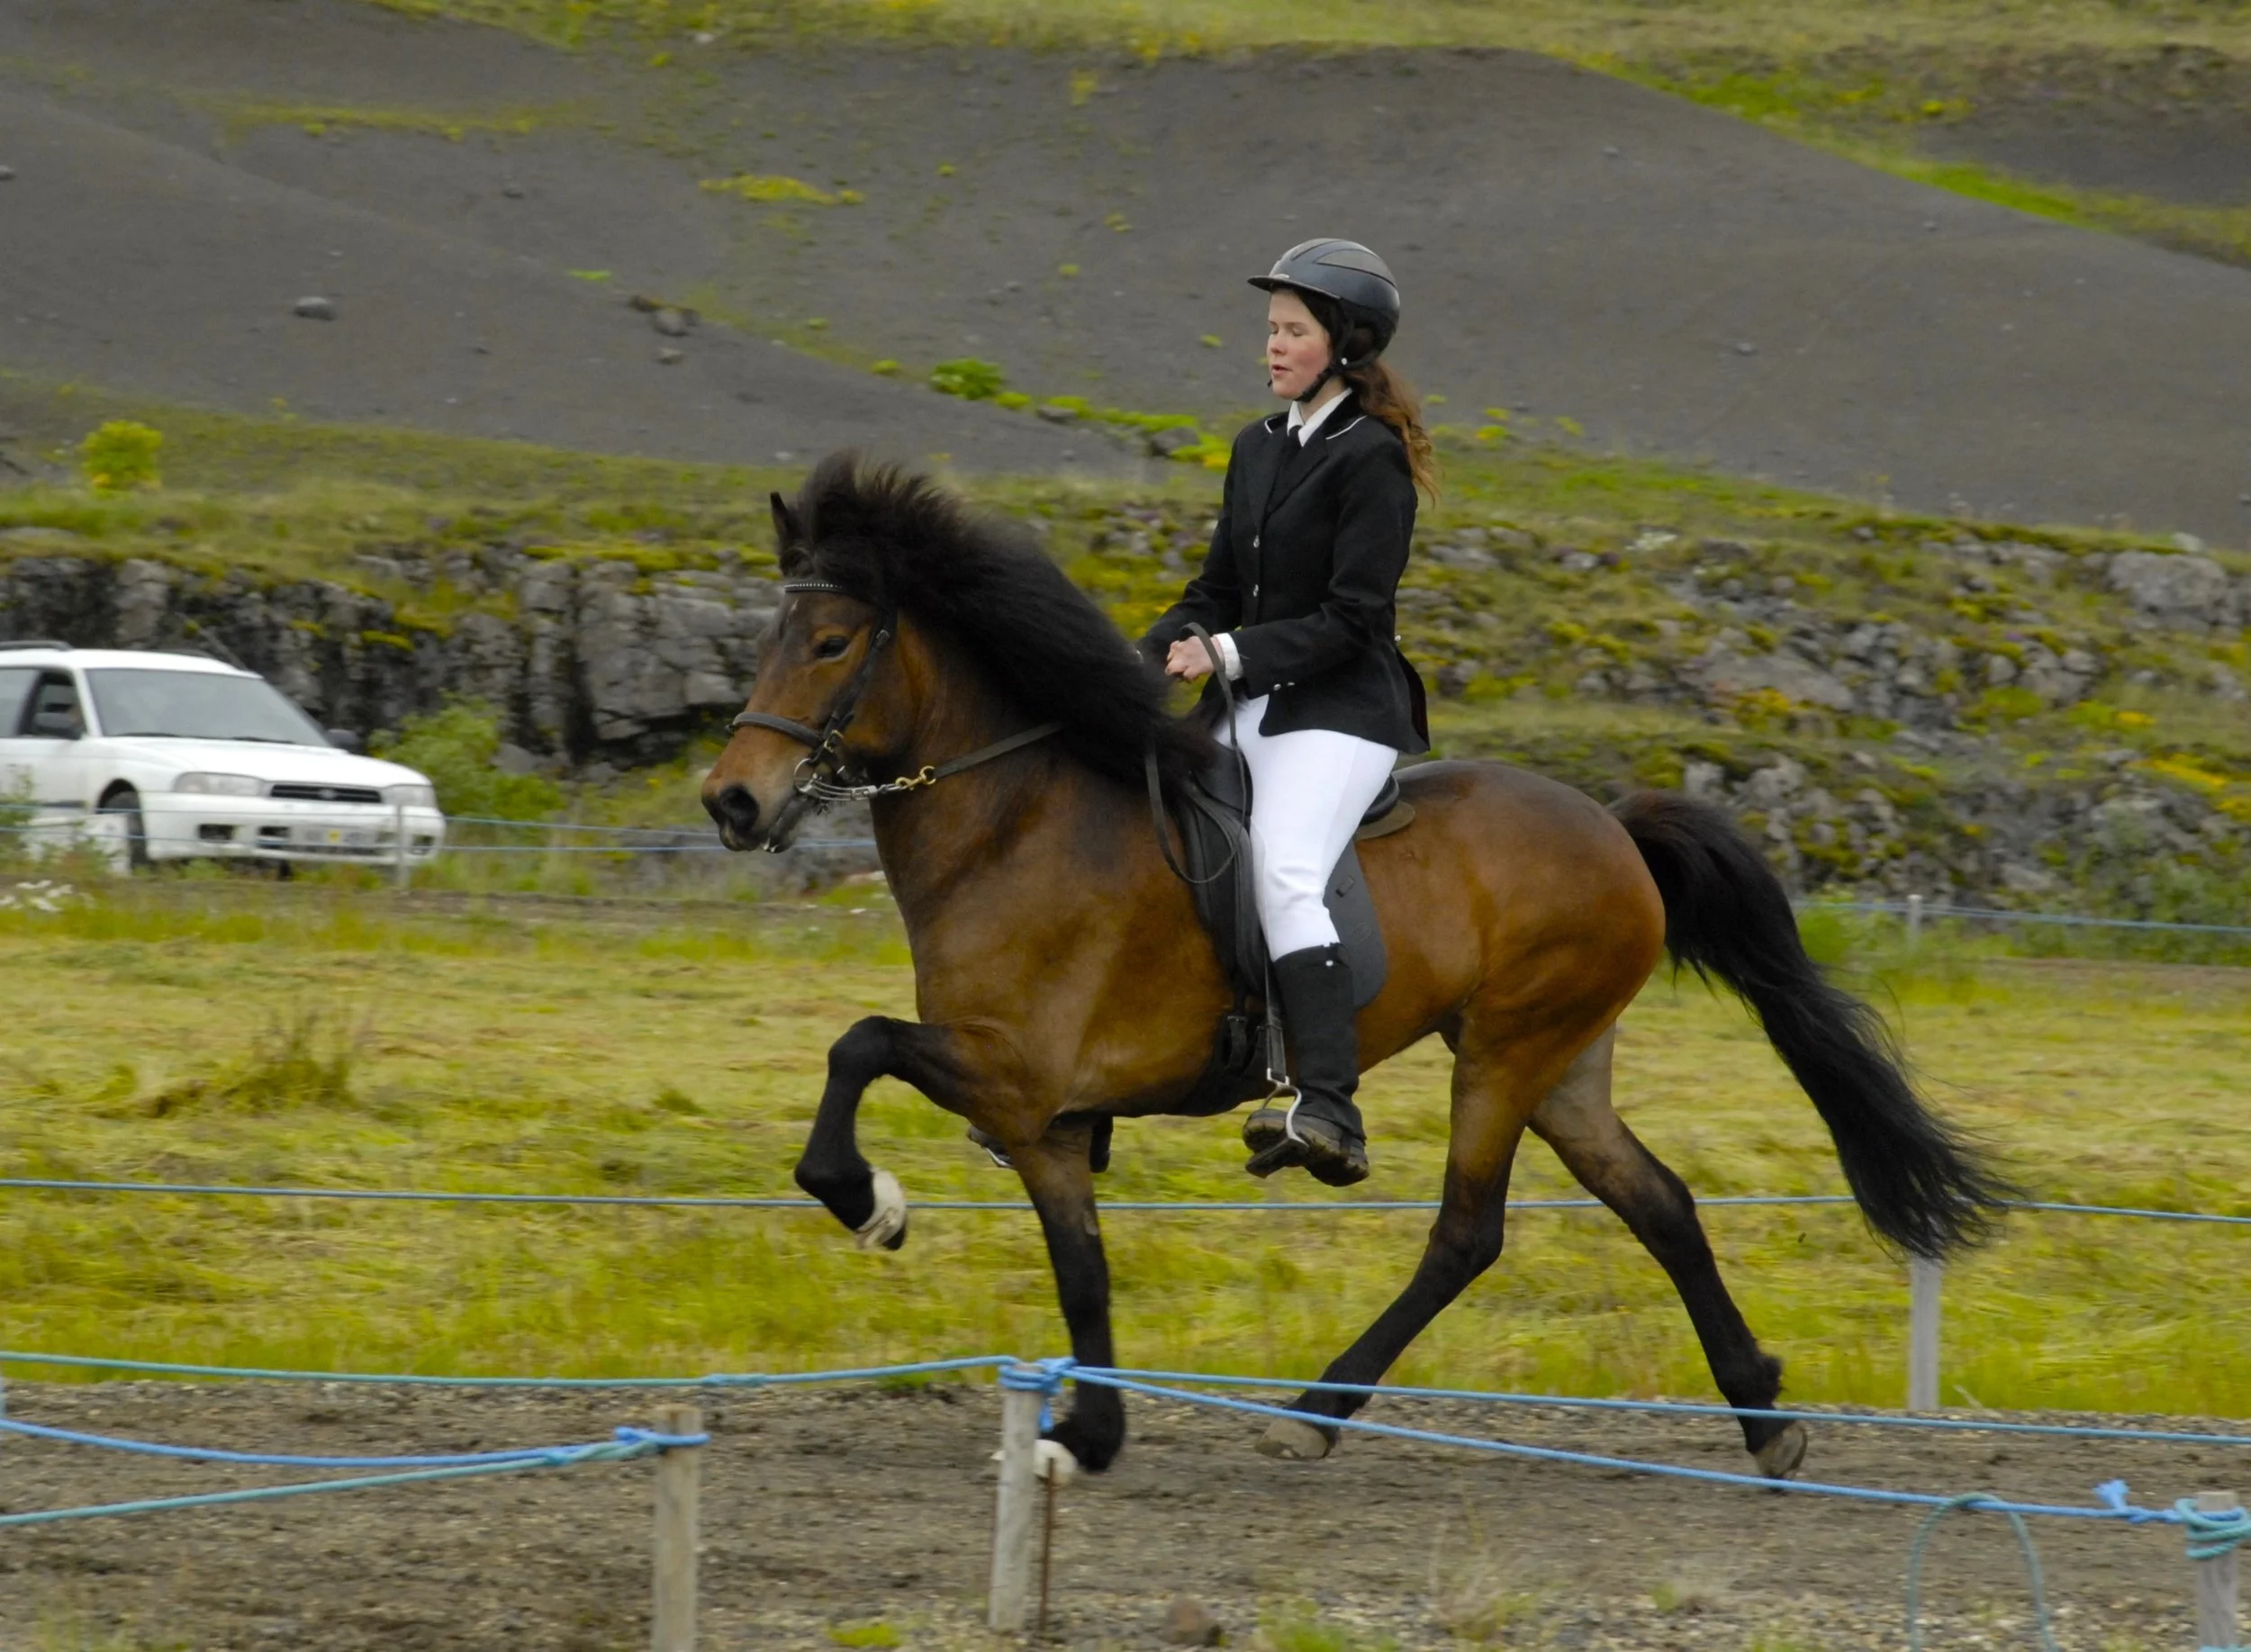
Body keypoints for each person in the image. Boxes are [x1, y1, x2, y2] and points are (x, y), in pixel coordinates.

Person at [1139, 238, 1436, 1187]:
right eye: (1269, 329)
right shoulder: (1256, 446)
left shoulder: (1372, 460)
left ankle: (1331, 1107)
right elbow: (1217, 583)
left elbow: (1356, 618)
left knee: (1284, 866)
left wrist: (1226, 653)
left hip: (1342, 709)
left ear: (1343, 345)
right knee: (1146, 829)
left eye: (1292, 331)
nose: (1271, 346)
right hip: (1254, 698)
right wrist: (1153, 651)